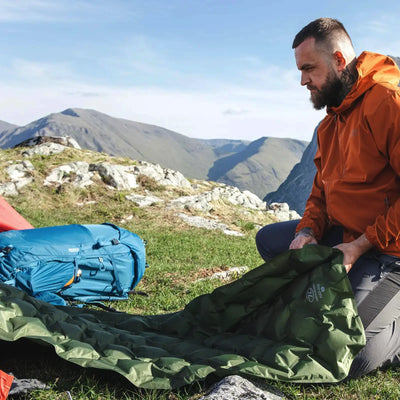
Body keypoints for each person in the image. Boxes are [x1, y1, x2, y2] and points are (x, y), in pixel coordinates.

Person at [256, 17, 400, 378]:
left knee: (353, 356)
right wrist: (307, 232)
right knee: (272, 241)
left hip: (390, 249)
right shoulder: (331, 122)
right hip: (350, 238)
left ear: (338, 61)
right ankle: (351, 286)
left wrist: (360, 246)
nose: (302, 80)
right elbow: (321, 193)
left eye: (308, 68)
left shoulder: (388, 101)